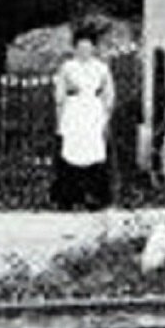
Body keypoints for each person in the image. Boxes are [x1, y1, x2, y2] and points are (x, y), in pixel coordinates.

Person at [49, 22, 117, 210]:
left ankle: (95, 198)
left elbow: (109, 93)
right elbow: (60, 94)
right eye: (80, 48)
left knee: (93, 152)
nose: (84, 52)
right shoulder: (68, 67)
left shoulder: (101, 68)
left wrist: (106, 114)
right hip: (73, 111)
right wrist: (60, 117)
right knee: (71, 151)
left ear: (94, 49)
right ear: (74, 48)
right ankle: (69, 198)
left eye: (88, 48)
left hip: (93, 112)